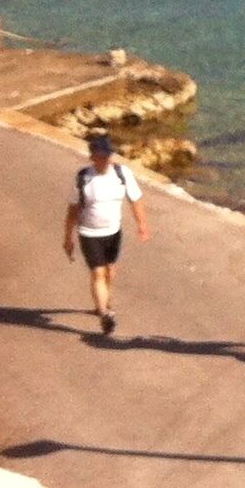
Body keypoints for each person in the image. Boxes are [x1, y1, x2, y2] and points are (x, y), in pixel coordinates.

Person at [63, 131, 149, 336]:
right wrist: (68, 237)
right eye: (101, 156)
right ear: (92, 157)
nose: (105, 160)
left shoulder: (122, 174)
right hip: (89, 233)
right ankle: (104, 314)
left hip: (113, 232)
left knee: (110, 271)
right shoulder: (84, 178)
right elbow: (73, 211)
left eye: (108, 155)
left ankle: (102, 304)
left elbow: (135, 199)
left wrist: (142, 225)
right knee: (98, 273)